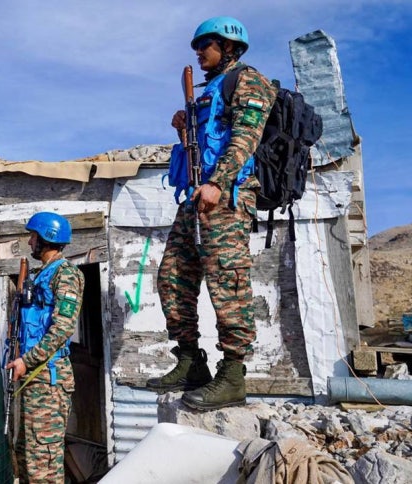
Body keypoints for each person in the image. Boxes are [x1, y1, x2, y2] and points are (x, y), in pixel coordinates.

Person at [146, 17, 278, 411]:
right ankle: (190, 362)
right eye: (197, 46)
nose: (199, 52)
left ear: (230, 46)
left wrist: (219, 182)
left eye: (206, 44)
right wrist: (184, 132)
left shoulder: (249, 80)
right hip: (197, 198)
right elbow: (202, 148)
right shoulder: (210, 91)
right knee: (171, 277)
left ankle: (233, 373)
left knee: (228, 282)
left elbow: (245, 138)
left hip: (227, 197)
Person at [5, 211, 85, 483]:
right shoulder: (41, 275)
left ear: (47, 238)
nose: (30, 242)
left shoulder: (66, 274)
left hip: (49, 380)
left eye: (33, 236)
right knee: (26, 457)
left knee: (44, 465)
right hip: (33, 377)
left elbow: (62, 329)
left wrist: (28, 360)